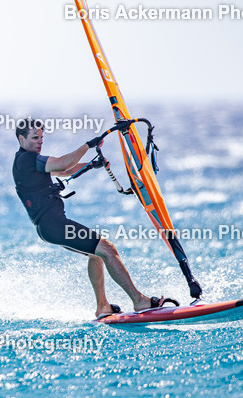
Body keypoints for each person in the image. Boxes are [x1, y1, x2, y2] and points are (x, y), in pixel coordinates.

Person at [12, 118, 173, 318]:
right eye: (35, 138)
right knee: (107, 248)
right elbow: (62, 162)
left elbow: (64, 169)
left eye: (42, 137)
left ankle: (103, 307)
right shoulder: (27, 159)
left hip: (49, 227)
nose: (40, 141)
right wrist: (89, 145)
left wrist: (92, 164)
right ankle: (139, 301)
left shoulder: (28, 161)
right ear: (21, 139)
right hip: (54, 225)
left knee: (96, 254)